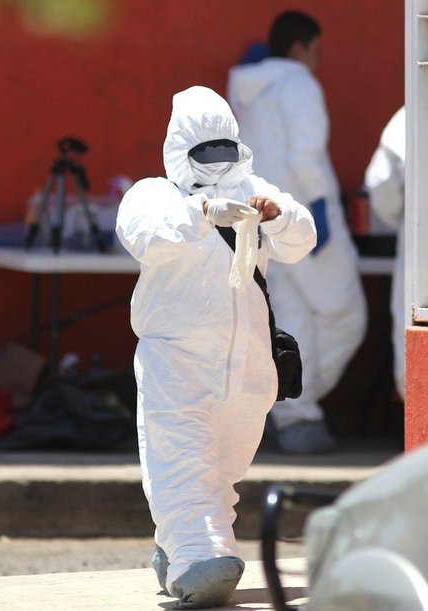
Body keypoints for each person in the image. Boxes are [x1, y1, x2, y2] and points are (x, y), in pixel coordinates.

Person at [115, 86, 316, 609]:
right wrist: (203, 212)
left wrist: (276, 217)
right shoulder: (153, 195)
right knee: (182, 463)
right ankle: (200, 559)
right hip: (175, 361)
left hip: (248, 366)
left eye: (225, 151)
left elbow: (303, 237)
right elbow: (145, 234)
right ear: (180, 152)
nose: (218, 164)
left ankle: (175, 549)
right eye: (205, 153)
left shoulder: (255, 189)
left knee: (222, 472)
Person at [227, 11, 367, 454]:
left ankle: (284, 410)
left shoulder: (245, 91)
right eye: (315, 51)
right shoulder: (298, 83)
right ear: (297, 49)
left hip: (259, 219)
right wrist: (324, 207)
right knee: (347, 315)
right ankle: (291, 409)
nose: (317, 62)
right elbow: (307, 154)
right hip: (305, 216)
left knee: (288, 319)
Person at [365, 106, 407, 401]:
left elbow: (382, 185)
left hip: (423, 236)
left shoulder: (408, 116)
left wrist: (399, 220)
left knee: (411, 319)